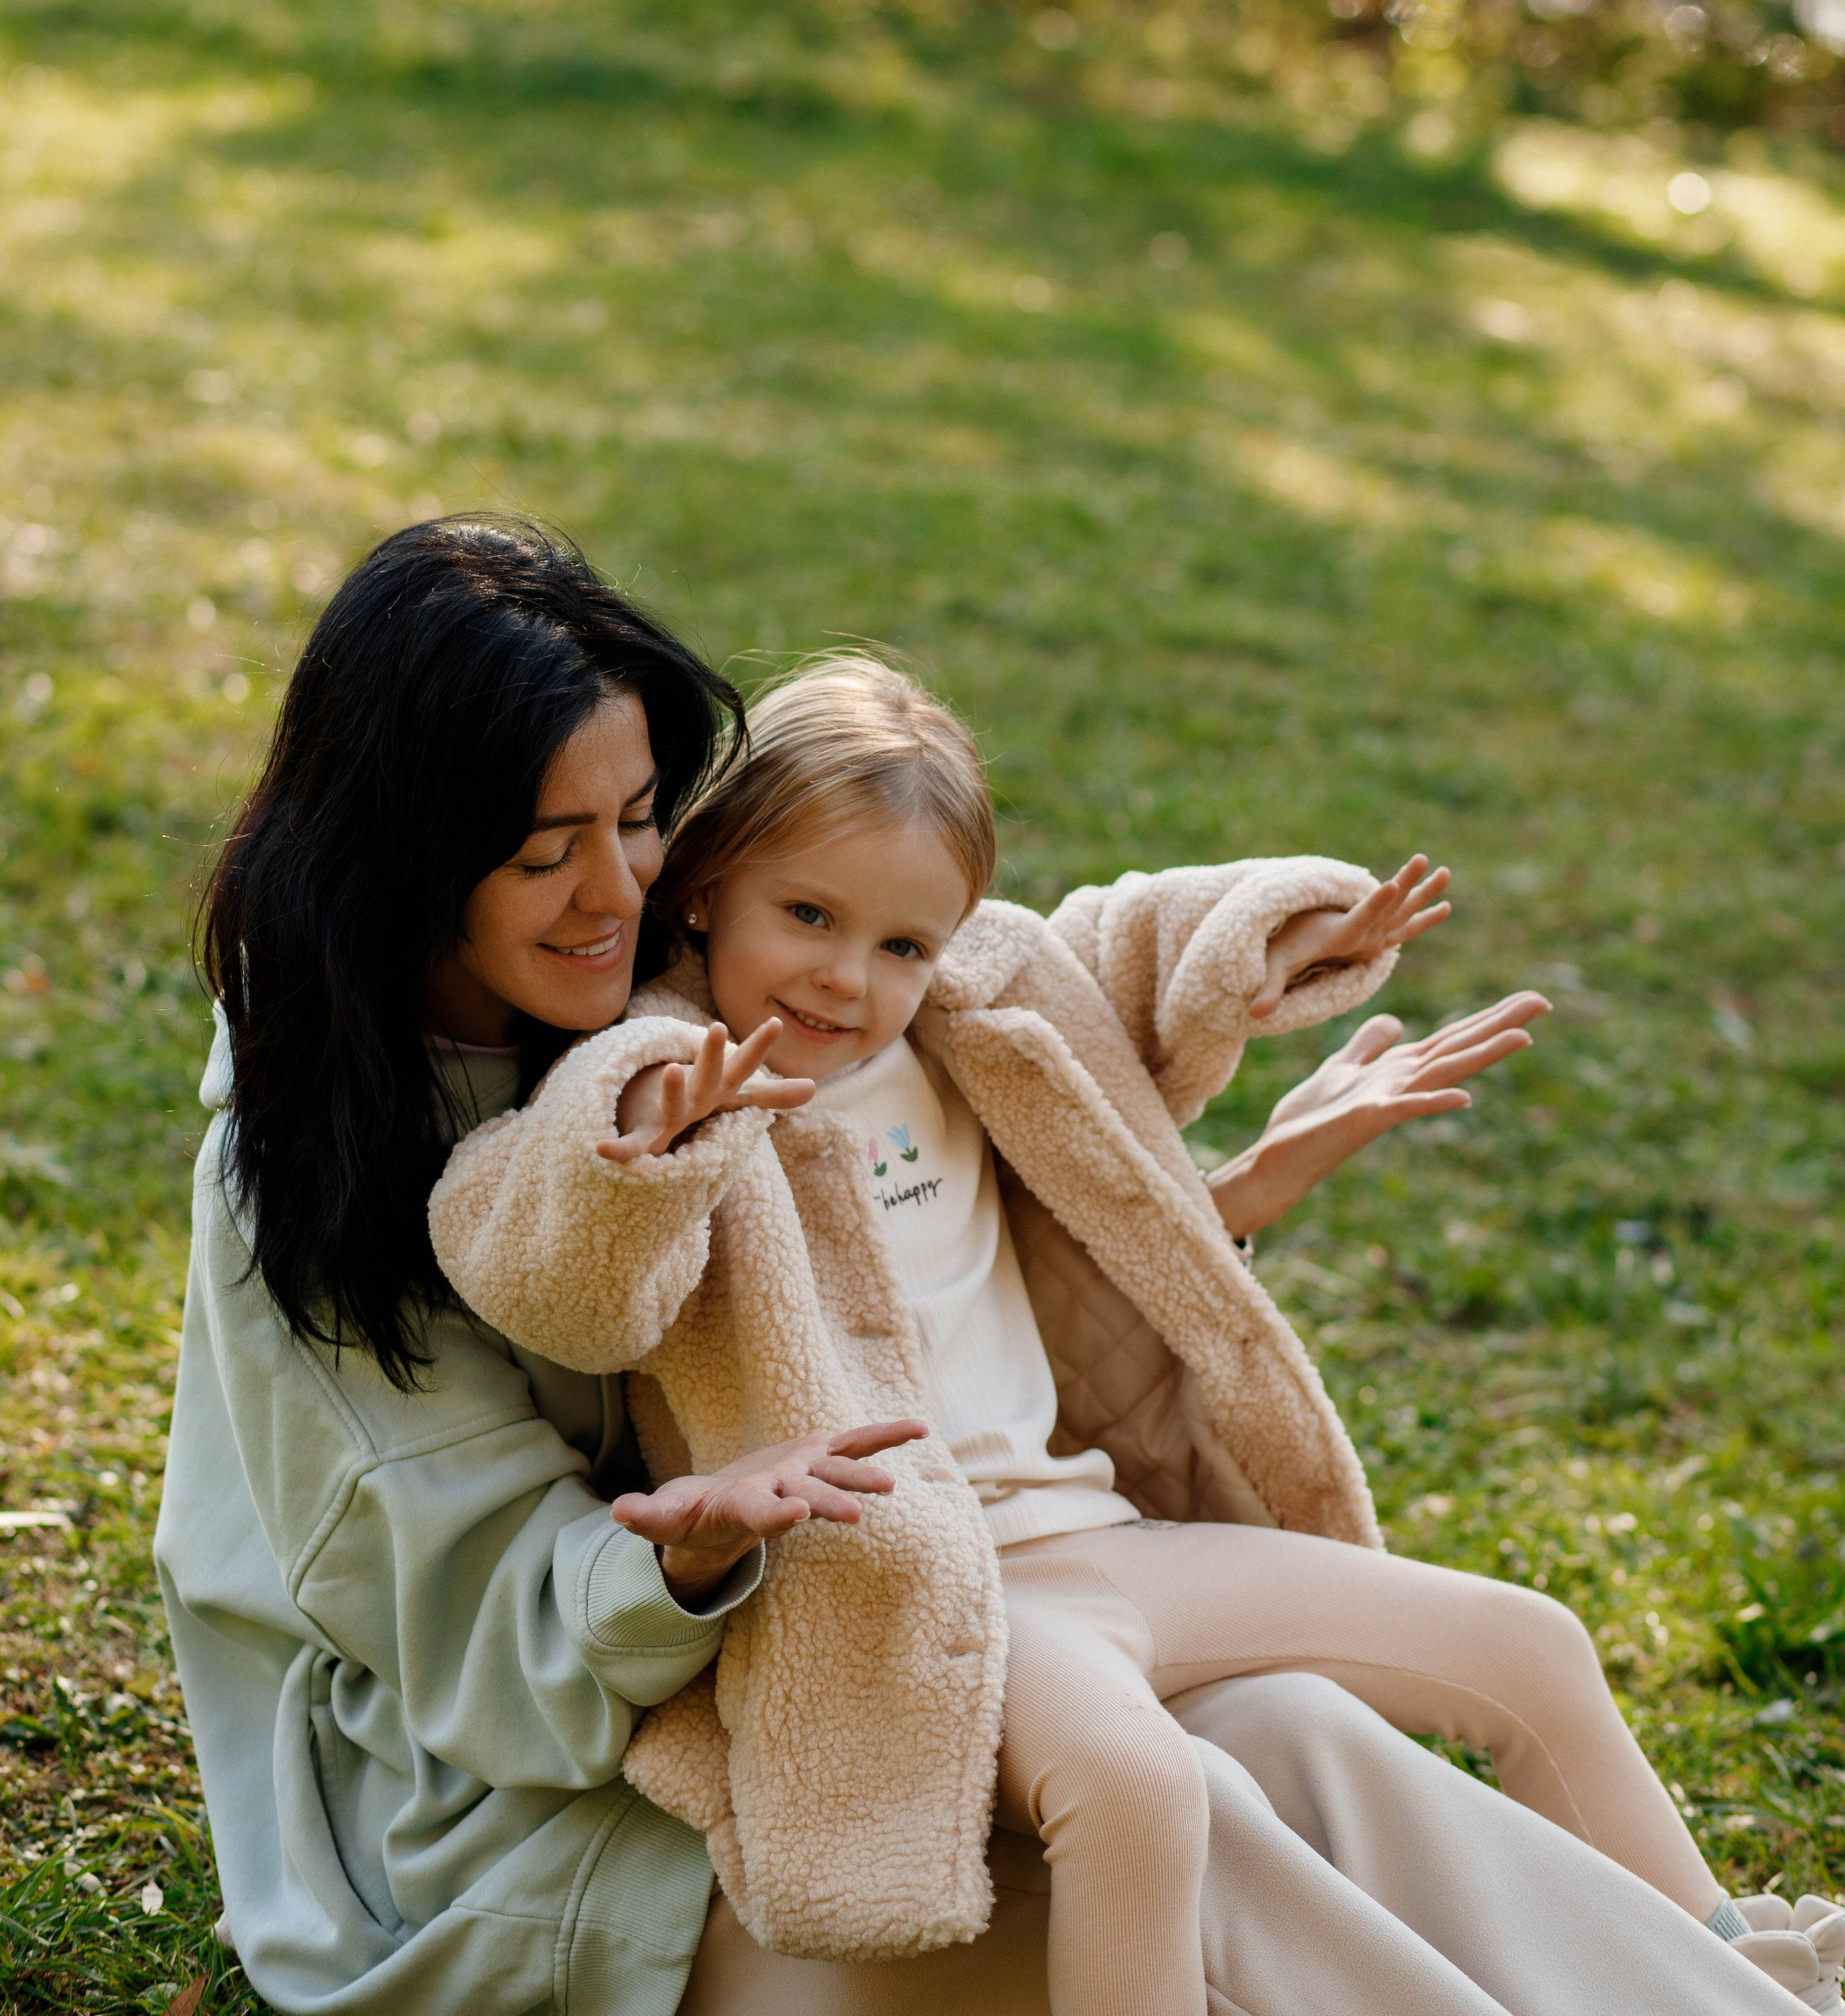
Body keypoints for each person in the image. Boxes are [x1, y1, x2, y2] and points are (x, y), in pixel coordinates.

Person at [157, 519, 1823, 2016]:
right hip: (540, 1811)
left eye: (645, 820)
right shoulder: (337, 1159)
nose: (617, 892)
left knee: (1295, 1741)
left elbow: (1034, 1004)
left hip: (877, 1636)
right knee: (1185, 1829)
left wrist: (1239, 1059)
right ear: (400, 852)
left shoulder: (676, 1003)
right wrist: (679, 1561)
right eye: (544, 853)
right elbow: (470, 1616)